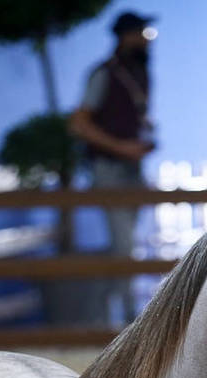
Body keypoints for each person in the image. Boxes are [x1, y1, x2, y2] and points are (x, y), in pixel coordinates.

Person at [68, 10, 157, 325]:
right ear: (125, 37)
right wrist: (120, 147)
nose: (146, 40)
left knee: (128, 244)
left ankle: (114, 317)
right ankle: (126, 321)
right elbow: (79, 123)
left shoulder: (139, 73)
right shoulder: (104, 74)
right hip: (110, 168)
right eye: (140, 33)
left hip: (131, 168)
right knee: (123, 246)